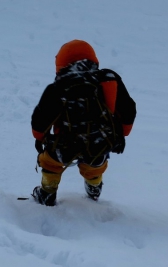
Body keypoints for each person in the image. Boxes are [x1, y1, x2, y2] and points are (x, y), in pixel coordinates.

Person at [30, 40, 136, 205]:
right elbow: (128, 109)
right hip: (99, 142)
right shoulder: (109, 80)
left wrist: (39, 137)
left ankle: (47, 192)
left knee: (51, 163)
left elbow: (41, 117)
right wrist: (123, 133)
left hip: (64, 144)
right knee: (95, 164)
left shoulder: (57, 87)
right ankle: (94, 187)